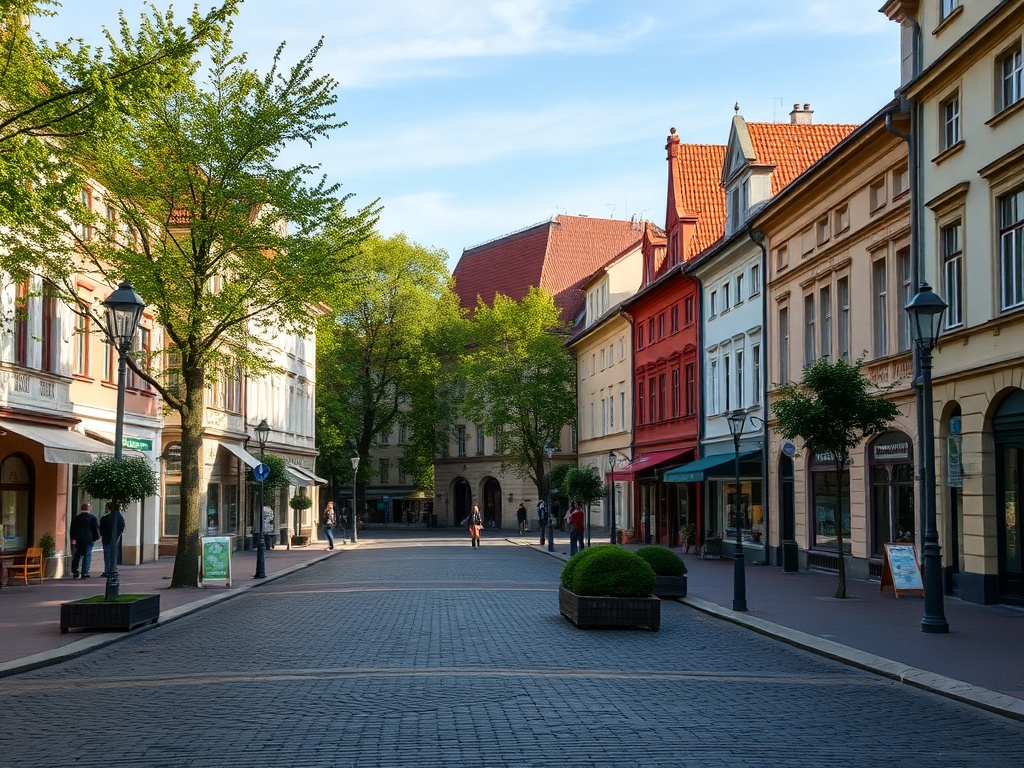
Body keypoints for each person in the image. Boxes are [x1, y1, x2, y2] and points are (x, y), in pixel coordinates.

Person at [69, 502, 100, 579]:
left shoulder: (76, 518)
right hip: (88, 540)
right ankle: (85, 572)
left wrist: (73, 538)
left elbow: (72, 529)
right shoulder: (92, 518)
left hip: (78, 540)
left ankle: (75, 571)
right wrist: (96, 538)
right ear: (90, 509)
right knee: (87, 555)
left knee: (77, 556)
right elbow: (95, 530)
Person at [99, 501, 126, 577]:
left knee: (107, 554)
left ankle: (108, 570)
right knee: (113, 554)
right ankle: (113, 569)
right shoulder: (119, 517)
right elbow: (122, 527)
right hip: (116, 537)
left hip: (107, 538)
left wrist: (102, 534)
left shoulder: (105, 518)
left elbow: (102, 528)